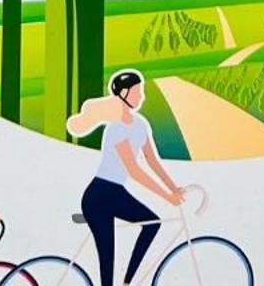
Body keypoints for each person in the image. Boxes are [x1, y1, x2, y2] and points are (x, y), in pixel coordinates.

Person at [68, 70, 183, 286]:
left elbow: (152, 160)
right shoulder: (116, 129)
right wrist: (167, 197)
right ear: (123, 93)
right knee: (108, 259)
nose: (142, 96)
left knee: (152, 224)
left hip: (115, 192)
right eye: (137, 91)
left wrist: (173, 187)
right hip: (100, 195)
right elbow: (133, 169)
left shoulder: (141, 124)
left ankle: (127, 282)